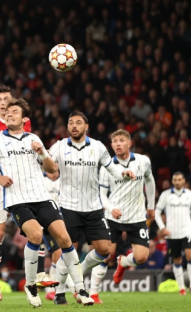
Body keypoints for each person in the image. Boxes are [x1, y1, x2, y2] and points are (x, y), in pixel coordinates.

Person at [0, 99, 94, 307]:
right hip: (17, 200)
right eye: (7, 112)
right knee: (36, 234)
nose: (9, 114)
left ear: (24, 119)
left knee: (65, 239)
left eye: (14, 112)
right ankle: (31, 285)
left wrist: (42, 153)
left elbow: (51, 169)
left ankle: (81, 289)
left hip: (42, 197)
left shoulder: (33, 138)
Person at [0, 85, 56, 301]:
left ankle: (39, 275)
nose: (2, 102)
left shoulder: (21, 121)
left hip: (23, 187)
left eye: (6, 99)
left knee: (38, 227)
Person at [47, 111, 135, 304]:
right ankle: (60, 292)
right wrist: (42, 159)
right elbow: (44, 162)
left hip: (94, 208)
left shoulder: (97, 146)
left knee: (105, 250)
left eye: (78, 122)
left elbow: (112, 168)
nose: (74, 126)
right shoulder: (59, 146)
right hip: (68, 207)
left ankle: (80, 273)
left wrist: (124, 173)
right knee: (69, 250)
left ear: (86, 127)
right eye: (71, 123)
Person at [89, 129, 156, 303]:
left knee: (141, 258)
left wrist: (151, 206)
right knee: (104, 253)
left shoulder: (143, 161)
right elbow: (101, 195)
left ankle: (124, 263)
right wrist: (111, 209)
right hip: (113, 218)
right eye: (115, 141)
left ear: (129, 143)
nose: (117, 144)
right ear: (111, 146)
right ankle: (93, 294)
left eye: (121, 140)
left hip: (137, 217)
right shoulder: (107, 167)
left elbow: (150, 181)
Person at [155, 172, 191, 296]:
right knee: (176, 260)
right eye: (175, 180)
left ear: (183, 181)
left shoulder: (190, 194)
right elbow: (157, 212)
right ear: (172, 181)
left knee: (190, 256)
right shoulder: (165, 195)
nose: (177, 182)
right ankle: (182, 287)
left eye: (179, 180)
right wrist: (162, 228)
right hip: (172, 233)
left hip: (187, 231)